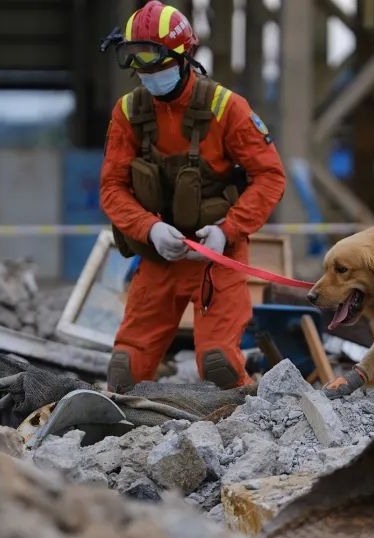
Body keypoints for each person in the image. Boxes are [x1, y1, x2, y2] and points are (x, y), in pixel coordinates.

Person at [98, 0, 286, 393]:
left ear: (184, 56)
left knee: (218, 366)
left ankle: (250, 422)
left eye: (153, 59)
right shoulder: (129, 112)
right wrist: (149, 229)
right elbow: (112, 188)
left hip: (215, 259)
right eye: (135, 59)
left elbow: (269, 177)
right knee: (124, 371)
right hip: (159, 257)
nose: (145, 72)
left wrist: (227, 231)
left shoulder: (226, 108)